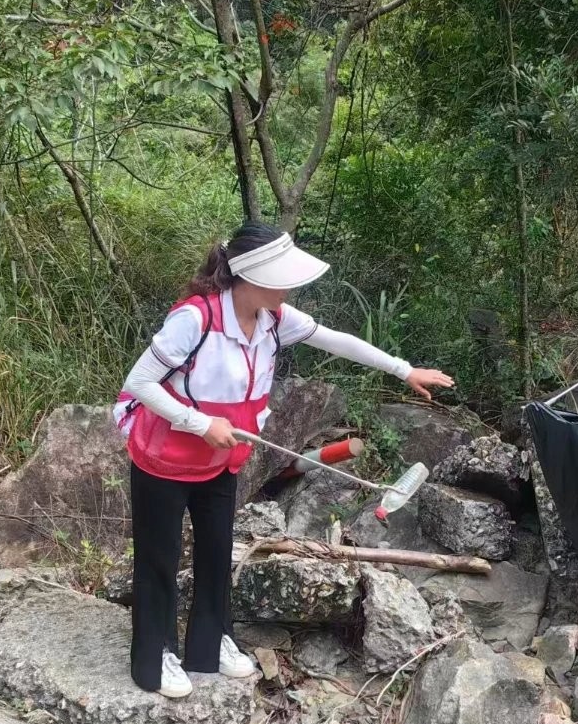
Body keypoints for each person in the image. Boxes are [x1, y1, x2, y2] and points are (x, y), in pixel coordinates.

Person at [113, 222, 455, 698]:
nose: (289, 289)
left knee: (217, 550)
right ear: (250, 276)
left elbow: (336, 340)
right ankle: (155, 657)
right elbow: (139, 383)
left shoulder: (273, 318)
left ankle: (210, 645)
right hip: (166, 457)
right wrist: (198, 422)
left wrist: (404, 370)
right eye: (281, 279)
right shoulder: (196, 319)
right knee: (159, 557)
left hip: (222, 458)